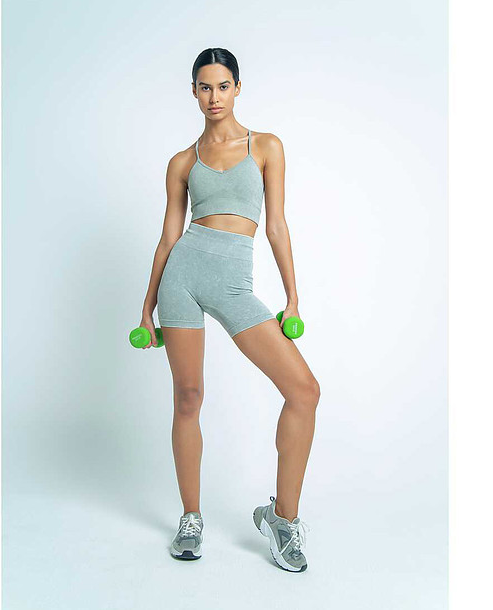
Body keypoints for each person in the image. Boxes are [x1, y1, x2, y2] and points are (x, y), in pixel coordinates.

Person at [139, 48, 321, 572]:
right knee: (189, 397)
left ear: (237, 87)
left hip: (234, 285)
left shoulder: (265, 146)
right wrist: (147, 307)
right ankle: (190, 518)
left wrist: (291, 296)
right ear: (193, 92)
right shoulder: (182, 162)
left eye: (222, 86)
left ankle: (281, 518)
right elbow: (169, 236)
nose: (213, 97)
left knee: (304, 391)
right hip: (182, 279)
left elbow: (276, 225)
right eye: (204, 87)